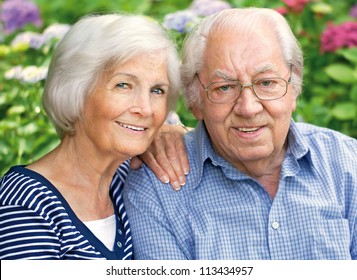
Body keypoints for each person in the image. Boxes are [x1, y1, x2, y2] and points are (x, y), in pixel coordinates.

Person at [123, 7, 357, 260]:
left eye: (266, 83)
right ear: (195, 101)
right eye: (224, 88)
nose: (248, 107)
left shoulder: (346, 163)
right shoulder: (155, 190)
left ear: (294, 87)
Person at [0, 13, 183, 259]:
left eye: (157, 90)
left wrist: (177, 137)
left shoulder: (130, 179)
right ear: (75, 90)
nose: (146, 108)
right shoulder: (25, 206)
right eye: (123, 85)